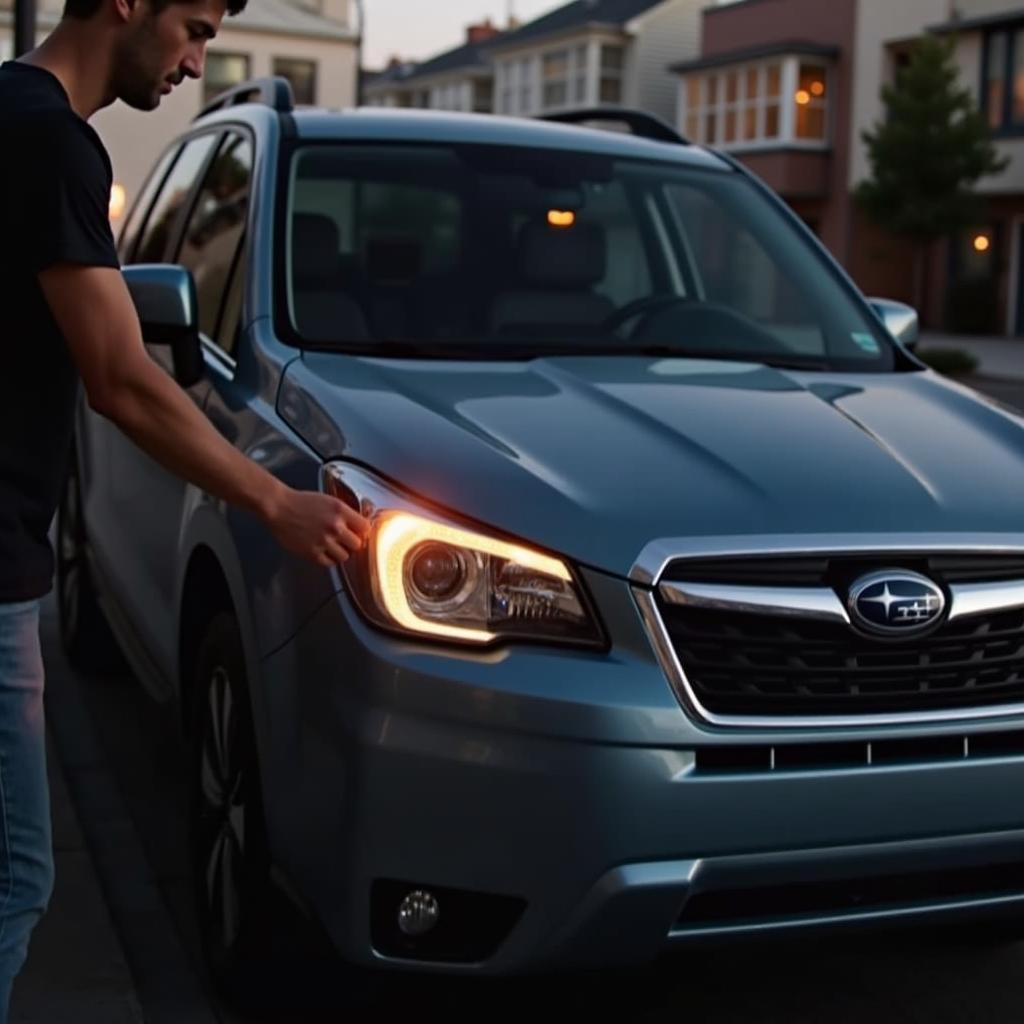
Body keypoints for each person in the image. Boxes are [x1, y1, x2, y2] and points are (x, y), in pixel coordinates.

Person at [0, 0, 369, 1015]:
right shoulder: (50, 144)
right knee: (14, 880)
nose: (196, 62)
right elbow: (120, 375)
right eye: (196, 27)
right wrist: (276, 501)